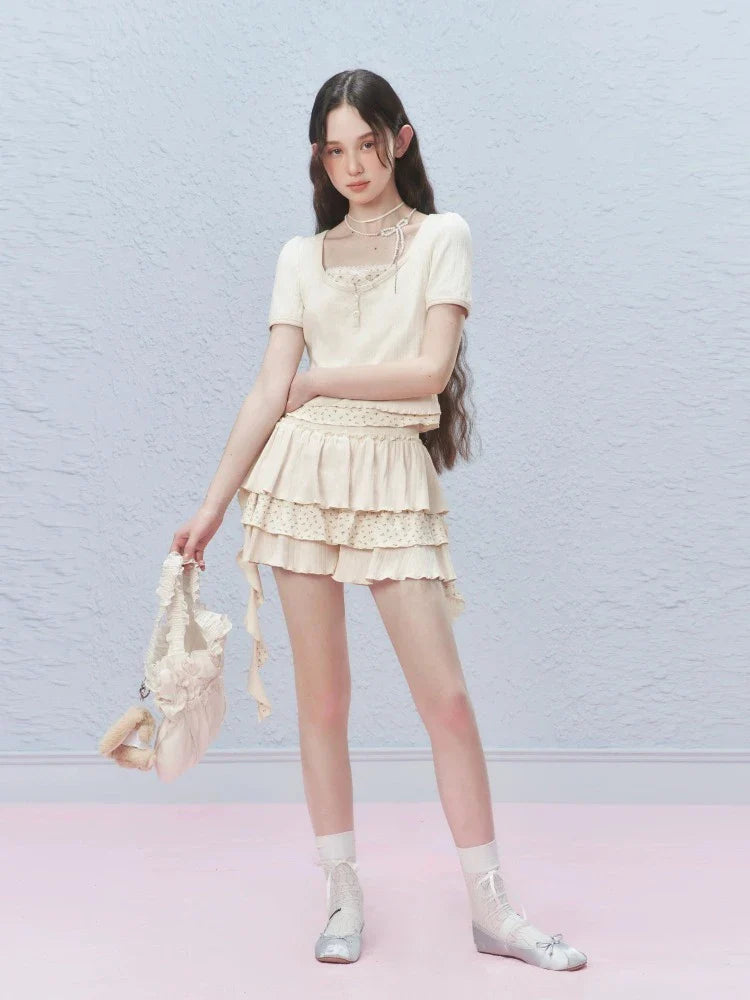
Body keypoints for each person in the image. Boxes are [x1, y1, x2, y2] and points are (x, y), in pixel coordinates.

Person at [169, 69, 587, 972]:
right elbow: (266, 390)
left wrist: (318, 381)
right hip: (299, 477)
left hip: (390, 473)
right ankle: (342, 893)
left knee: (447, 701)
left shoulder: (442, 236)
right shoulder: (301, 255)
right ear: (319, 158)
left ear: (400, 139)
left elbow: (429, 372)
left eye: (367, 143)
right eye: (335, 150)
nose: (353, 165)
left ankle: (493, 909)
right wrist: (210, 505)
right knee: (323, 703)